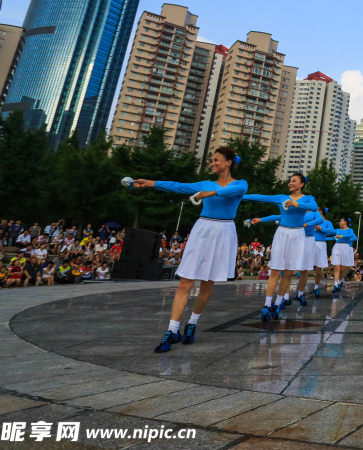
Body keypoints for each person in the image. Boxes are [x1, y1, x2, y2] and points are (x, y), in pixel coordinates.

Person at [130, 146, 248, 351]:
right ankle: (172, 330)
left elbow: (233, 191)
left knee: (208, 282)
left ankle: (192, 323)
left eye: (216, 160)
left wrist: (210, 192)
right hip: (203, 229)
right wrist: (149, 183)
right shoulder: (204, 183)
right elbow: (177, 186)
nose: (212, 163)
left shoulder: (240, 184)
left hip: (224, 231)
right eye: (211, 160)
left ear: (228, 162)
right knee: (185, 281)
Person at [244, 173, 319, 320]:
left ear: (302, 184)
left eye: (294, 181)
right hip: (282, 234)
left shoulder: (308, 198)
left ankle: (277, 304)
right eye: (290, 181)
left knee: (289, 272)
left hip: (298, 235)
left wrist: (296, 204)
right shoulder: (281, 197)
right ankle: (266, 305)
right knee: (276, 271)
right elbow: (260, 197)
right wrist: (240, 196)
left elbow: (314, 207)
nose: (290, 183)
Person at [326, 218, 357, 291]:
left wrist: (342, 237)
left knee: (344, 268)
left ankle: (341, 280)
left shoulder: (350, 230)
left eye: (341, 221)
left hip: (346, 247)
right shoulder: (337, 230)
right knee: (337, 267)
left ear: (345, 222)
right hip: (337, 247)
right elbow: (331, 234)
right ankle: (335, 285)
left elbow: (353, 236)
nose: (339, 222)